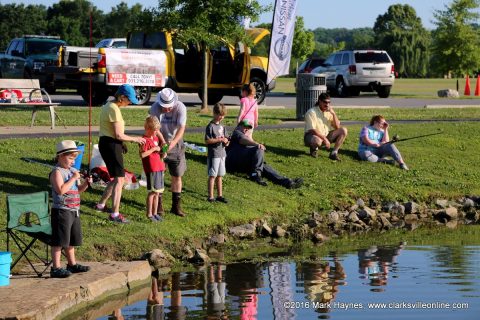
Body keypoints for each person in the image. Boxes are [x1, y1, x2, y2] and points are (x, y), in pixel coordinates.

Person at [94, 84, 146, 223]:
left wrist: (122, 143)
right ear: (121, 97)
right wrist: (135, 139)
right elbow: (118, 134)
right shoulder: (114, 109)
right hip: (111, 145)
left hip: (108, 143)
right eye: (129, 100)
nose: (129, 103)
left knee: (116, 178)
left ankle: (101, 205)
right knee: (120, 179)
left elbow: (113, 131)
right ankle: (115, 214)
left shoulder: (108, 105)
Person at [49, 140, 92, 278]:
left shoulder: (73, 171)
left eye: (75, 158)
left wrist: (86, 183)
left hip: (74, 210)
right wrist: (73, 178)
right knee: (60, 240)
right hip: (61, 210)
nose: (73, 162)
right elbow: (61, 190)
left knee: (71, 240)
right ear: (61, 156)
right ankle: (55, 268)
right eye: (70, 158)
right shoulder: (57, 172)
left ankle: (72, 264)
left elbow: (77, 190)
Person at [226, 119, 303, 189]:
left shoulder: (243, 135)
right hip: (234, 161)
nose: (247, 129)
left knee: (265, 167)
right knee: (259, 149)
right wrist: (256, 144)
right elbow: (242, 140)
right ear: (239, 126)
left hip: (243, 162)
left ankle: (287, 182)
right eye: (245, 127)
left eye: (248, 128)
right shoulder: (237, 132)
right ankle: (255, 175)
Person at [149, 88, 187, 217]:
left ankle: (176, 206)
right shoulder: (155, 107)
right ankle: (158, 205)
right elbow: (154, 127)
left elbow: (182, 128)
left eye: (169, 107)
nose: (167, 110)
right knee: (159, 174)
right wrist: (163, 142)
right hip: (160, 143)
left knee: (177, 175)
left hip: (176, 143)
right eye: (164, 107)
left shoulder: (180, 107)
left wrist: (173, 142)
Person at [304, 93, 348, 160]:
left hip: (325, 135)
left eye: (329, 102)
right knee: (317, 140)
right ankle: (314, 149)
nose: (327, 104)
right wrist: (325, 139)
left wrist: (333, 114)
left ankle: (334, 153)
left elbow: (337, 127)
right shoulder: (311, 112)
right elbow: (312, 130)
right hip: (311, 135)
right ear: (319, 101)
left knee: (343, 130)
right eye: (325, 102)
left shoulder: (329, 112)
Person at [140, 116, 167, 222]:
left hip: (160, 167)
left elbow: (164, 146)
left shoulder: (155, 137)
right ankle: (149, 214)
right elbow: (142, 155)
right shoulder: (144, 140)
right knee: (152, 192)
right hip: (152, 170)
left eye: (157, 130)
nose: (157, 132)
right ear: (148, 129)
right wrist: (154, 149)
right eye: (155, 130)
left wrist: (164, 151)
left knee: (158, 192)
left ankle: (155, 213)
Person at [205, 103, 229, 203]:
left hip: (222, 154)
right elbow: (207, 141)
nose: (221, 117)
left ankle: (220, 195)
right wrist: (218, 140)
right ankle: (210, 196)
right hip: (214, 155)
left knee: (220, 175)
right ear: (214, 113)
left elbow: (227, 139)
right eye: (220, 115)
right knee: (212, 175)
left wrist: (226, 142)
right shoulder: (210, 126)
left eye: (223, 115)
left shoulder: (223, 127)